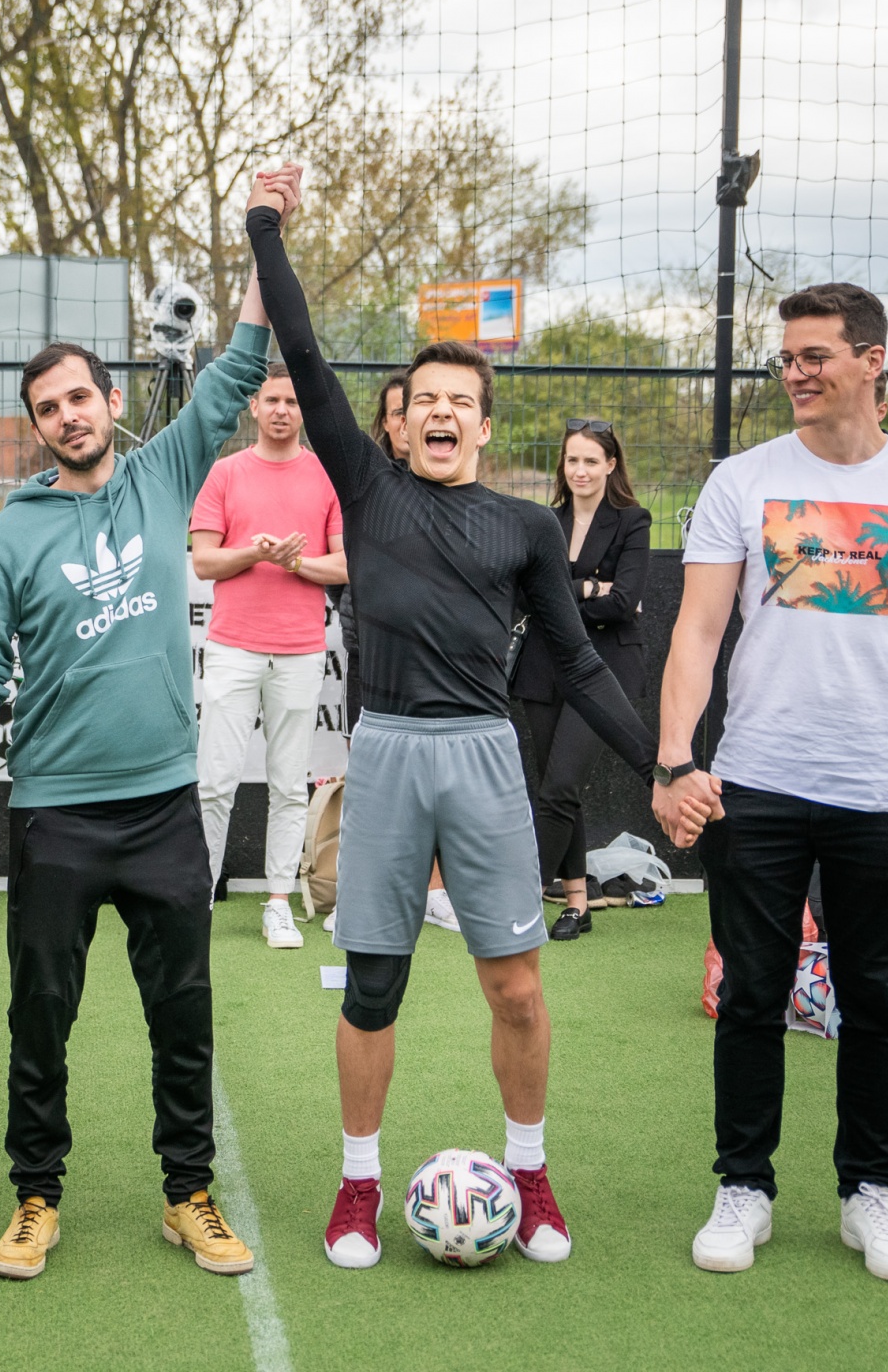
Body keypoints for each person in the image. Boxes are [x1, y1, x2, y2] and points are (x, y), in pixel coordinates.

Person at [243, 164, 703, 1273]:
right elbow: (301, 346)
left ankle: (529, 1172)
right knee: (374, 986)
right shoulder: (366, 488)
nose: (441, 413)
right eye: (425, 402)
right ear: (399, 425)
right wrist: (265, 227)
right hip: (389, 756)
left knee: (517, 986)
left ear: (486, 427)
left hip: (487, 758)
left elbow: (579, 663)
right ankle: (358, 1187)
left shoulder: (525, 531)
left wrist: (664, 764)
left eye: (461, 402)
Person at [0, 248, 276, 1284]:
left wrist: (265, 233)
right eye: (48, 408)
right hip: (55, 815)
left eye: (80, 398)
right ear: (36, 427)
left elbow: (238, 366)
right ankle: (35, 1196)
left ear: (112, 402)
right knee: (40, 1017)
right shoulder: (7, 538)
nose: (67, 416)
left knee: (183, 1013)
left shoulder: (163, 473)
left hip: (165, 807)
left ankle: (188, 1195)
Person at [654, 283, 888, 1284]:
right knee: (752, 993)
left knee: (874, 1001)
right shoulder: (742, 480)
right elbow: (697, 631)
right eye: (786, 358)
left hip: (884, 792)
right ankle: (743, 1188)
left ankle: (869, 1193)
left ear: (872, 362)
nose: (795, 373)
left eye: (815, 356)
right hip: (754, 787)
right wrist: (675, 760)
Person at [190, 360, 346, 949]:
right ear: (253, 407)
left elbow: (345, 564)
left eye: (293, 401)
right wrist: (255, 554)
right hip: (232, 647)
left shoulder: (326, 478)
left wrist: (294, 562)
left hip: (300, 652)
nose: (282, 410)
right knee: (214, 782)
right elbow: (204, 561)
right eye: (272, 400)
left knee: (288, 784)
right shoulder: (225, 473)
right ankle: (196, 897)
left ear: (304, 410)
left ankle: (278, 902)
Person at [510, 419, 652, 941]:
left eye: (591, 461)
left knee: (560, 786)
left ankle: (519, 904)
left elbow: (626, 601)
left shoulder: (633, 521)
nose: (581, 470)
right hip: (544, 667)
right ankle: (576, 903)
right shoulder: (543, 521)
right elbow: (523, 595)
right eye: (573, 460)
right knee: (556, 788)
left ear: (610, 464)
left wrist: (565, 596)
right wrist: (592, 587)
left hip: (605, 667)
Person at [331, 374, 405, 736]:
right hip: (366, 650)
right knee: (361, 749)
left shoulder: (455, 487)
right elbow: (341, 563)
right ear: (385, 421)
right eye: (398, 413)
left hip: (427, 657)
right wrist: (355, 606)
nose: (407, 421)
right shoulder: (362, 484)